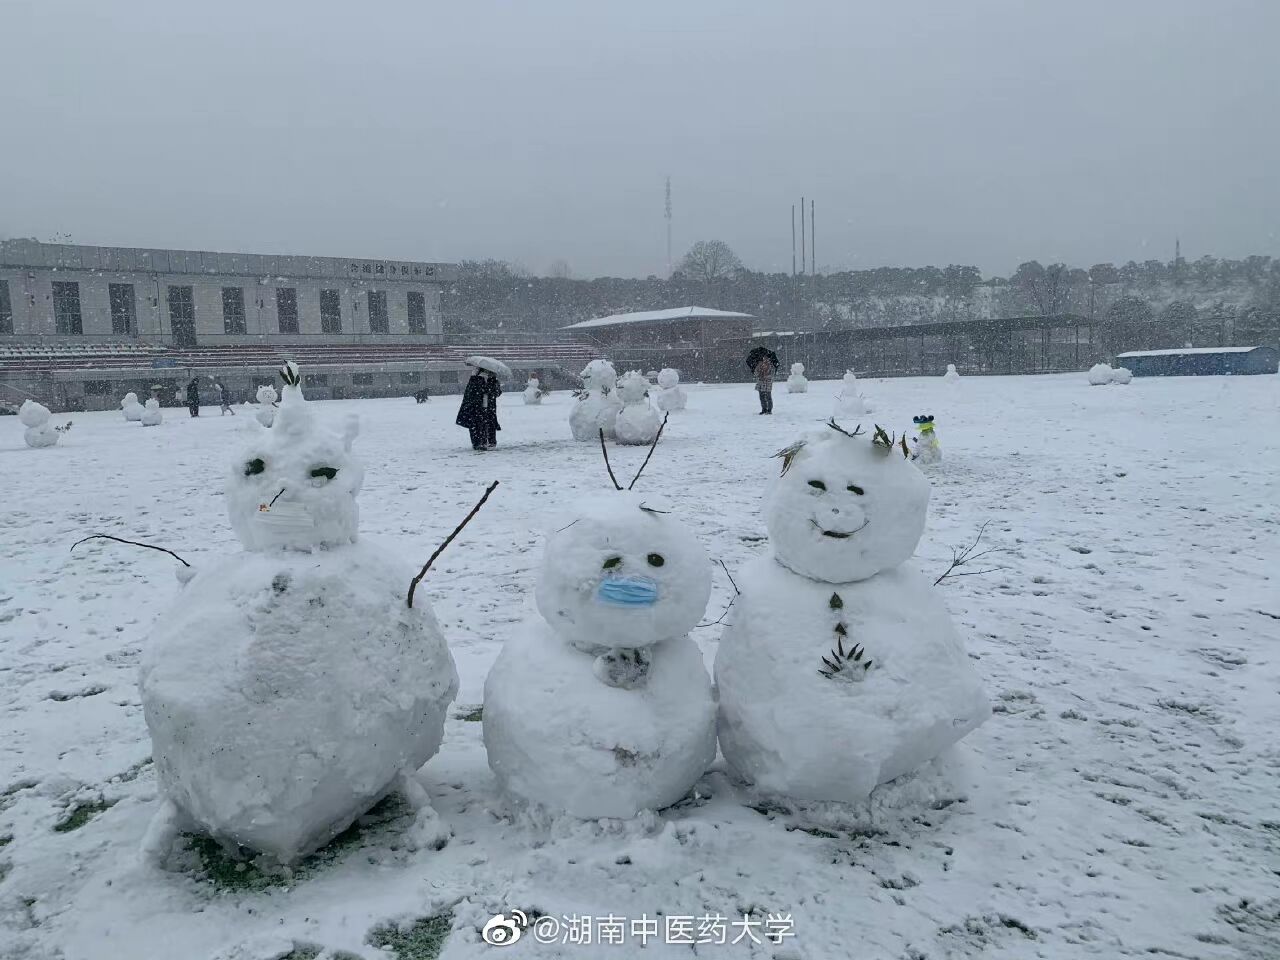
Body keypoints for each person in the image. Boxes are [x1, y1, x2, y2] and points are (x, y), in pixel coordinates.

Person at [456, 366, 501, 451]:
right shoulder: (475, 379)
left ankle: (489, 441)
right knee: (477, 424)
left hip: (489, 407)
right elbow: (472, 393)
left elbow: (497, 392)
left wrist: (490, 389)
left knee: (489, 423)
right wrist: (484, 387)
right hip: (477, 407)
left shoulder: (493, 380)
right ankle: (479, 443)